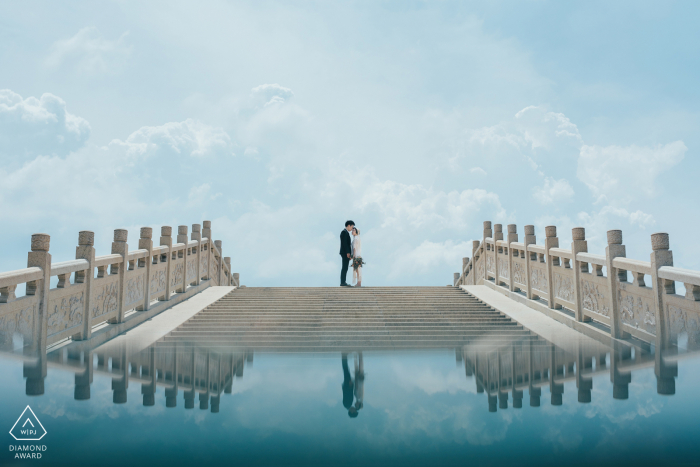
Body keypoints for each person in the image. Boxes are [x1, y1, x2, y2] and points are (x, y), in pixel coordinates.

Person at [339, 220, 354, 287]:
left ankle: (343, 281)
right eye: (352, 227)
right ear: (348, 225)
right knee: (344, 267)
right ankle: (342, 282)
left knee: (345, 267)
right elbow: (345, 243)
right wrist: (348, 252)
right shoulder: (344, 232)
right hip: (345, 252)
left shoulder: (346, 233)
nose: (352, 228)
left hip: (345, 252)